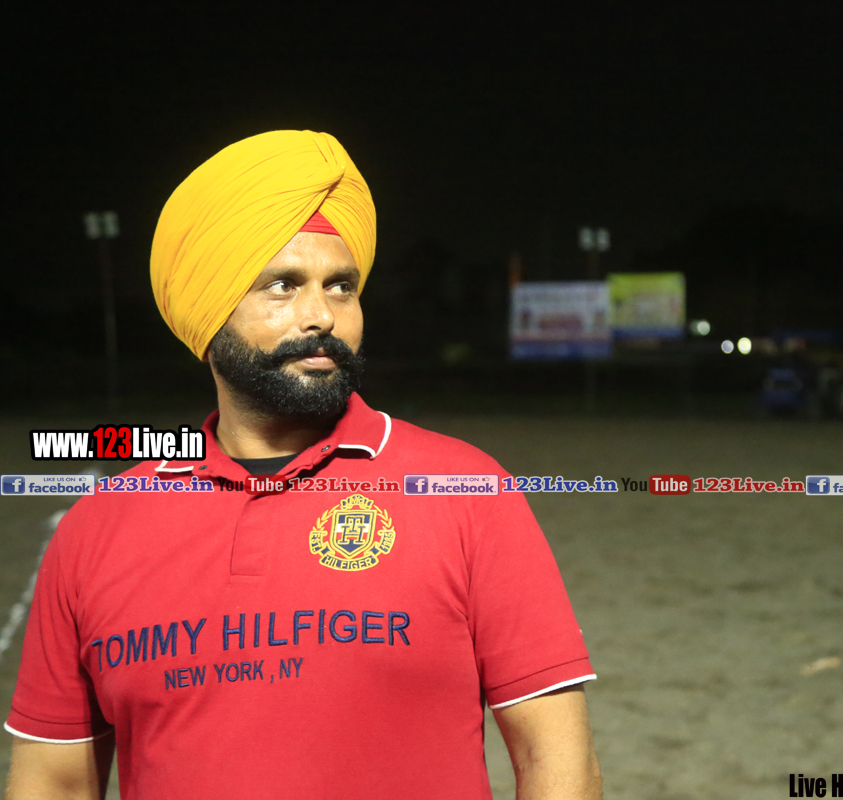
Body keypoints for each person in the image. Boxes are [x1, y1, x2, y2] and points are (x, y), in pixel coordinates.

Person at [5, 130, 602, 799]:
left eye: (341, 286)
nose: (321, 315)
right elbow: (54, 781)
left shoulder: (465, 490)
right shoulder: (96, 528)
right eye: (283, 285)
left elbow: (556, 759)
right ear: (206, 310)